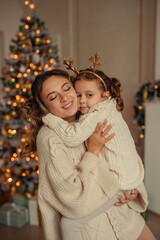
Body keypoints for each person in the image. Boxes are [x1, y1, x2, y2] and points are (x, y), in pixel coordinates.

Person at [26, 68, 149, 240]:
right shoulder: (49, 138)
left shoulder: (88, 115)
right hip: (94, 232)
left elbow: (123, 153)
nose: (65, 98)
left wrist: (134, 188)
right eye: (53, 97)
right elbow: (73, 199)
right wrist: (93, 150)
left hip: (126, 219)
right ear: (44, 106)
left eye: (67, 89)